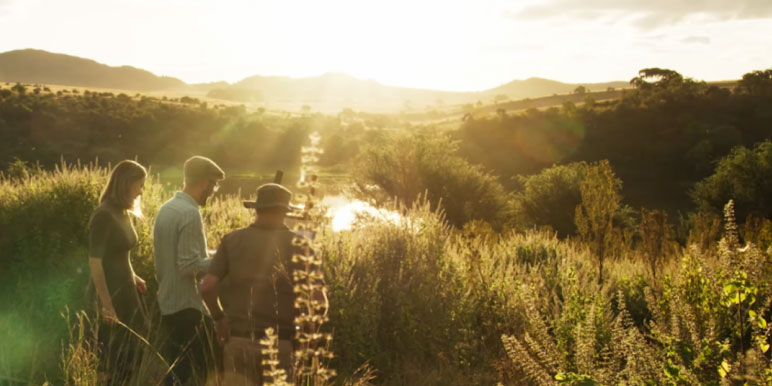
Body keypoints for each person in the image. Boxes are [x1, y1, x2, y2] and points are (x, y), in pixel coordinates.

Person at [200, 183, 328, 385]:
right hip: (281, 344)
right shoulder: (303, 246)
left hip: (239, 341)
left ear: (256, 209)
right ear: (285, 211)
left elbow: (207, 287)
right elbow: (318, 301)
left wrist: (219, 319)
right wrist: (308, 335)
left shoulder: (232, 240)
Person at [153, 156, 224, 385]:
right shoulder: (190, 213)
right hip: (186, 305)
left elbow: (175, 257)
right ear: (204, 182)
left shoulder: (167, 208)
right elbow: (187, 266)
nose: (213, 190)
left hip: (168, 300)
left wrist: (210, 256)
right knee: (197, 369)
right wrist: (223, 260)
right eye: (213, 184)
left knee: (177, 366)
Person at [88, 160, 150, 385]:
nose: (141, 191)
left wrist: (133, 276)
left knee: (134, 351)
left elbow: (120, 254)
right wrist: (106, 305)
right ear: (126, 183)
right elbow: (95, 263)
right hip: (111, 293)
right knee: (113, 359)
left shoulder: (122, 212)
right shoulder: (103, 215)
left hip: (127, 291)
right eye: (139, 185)